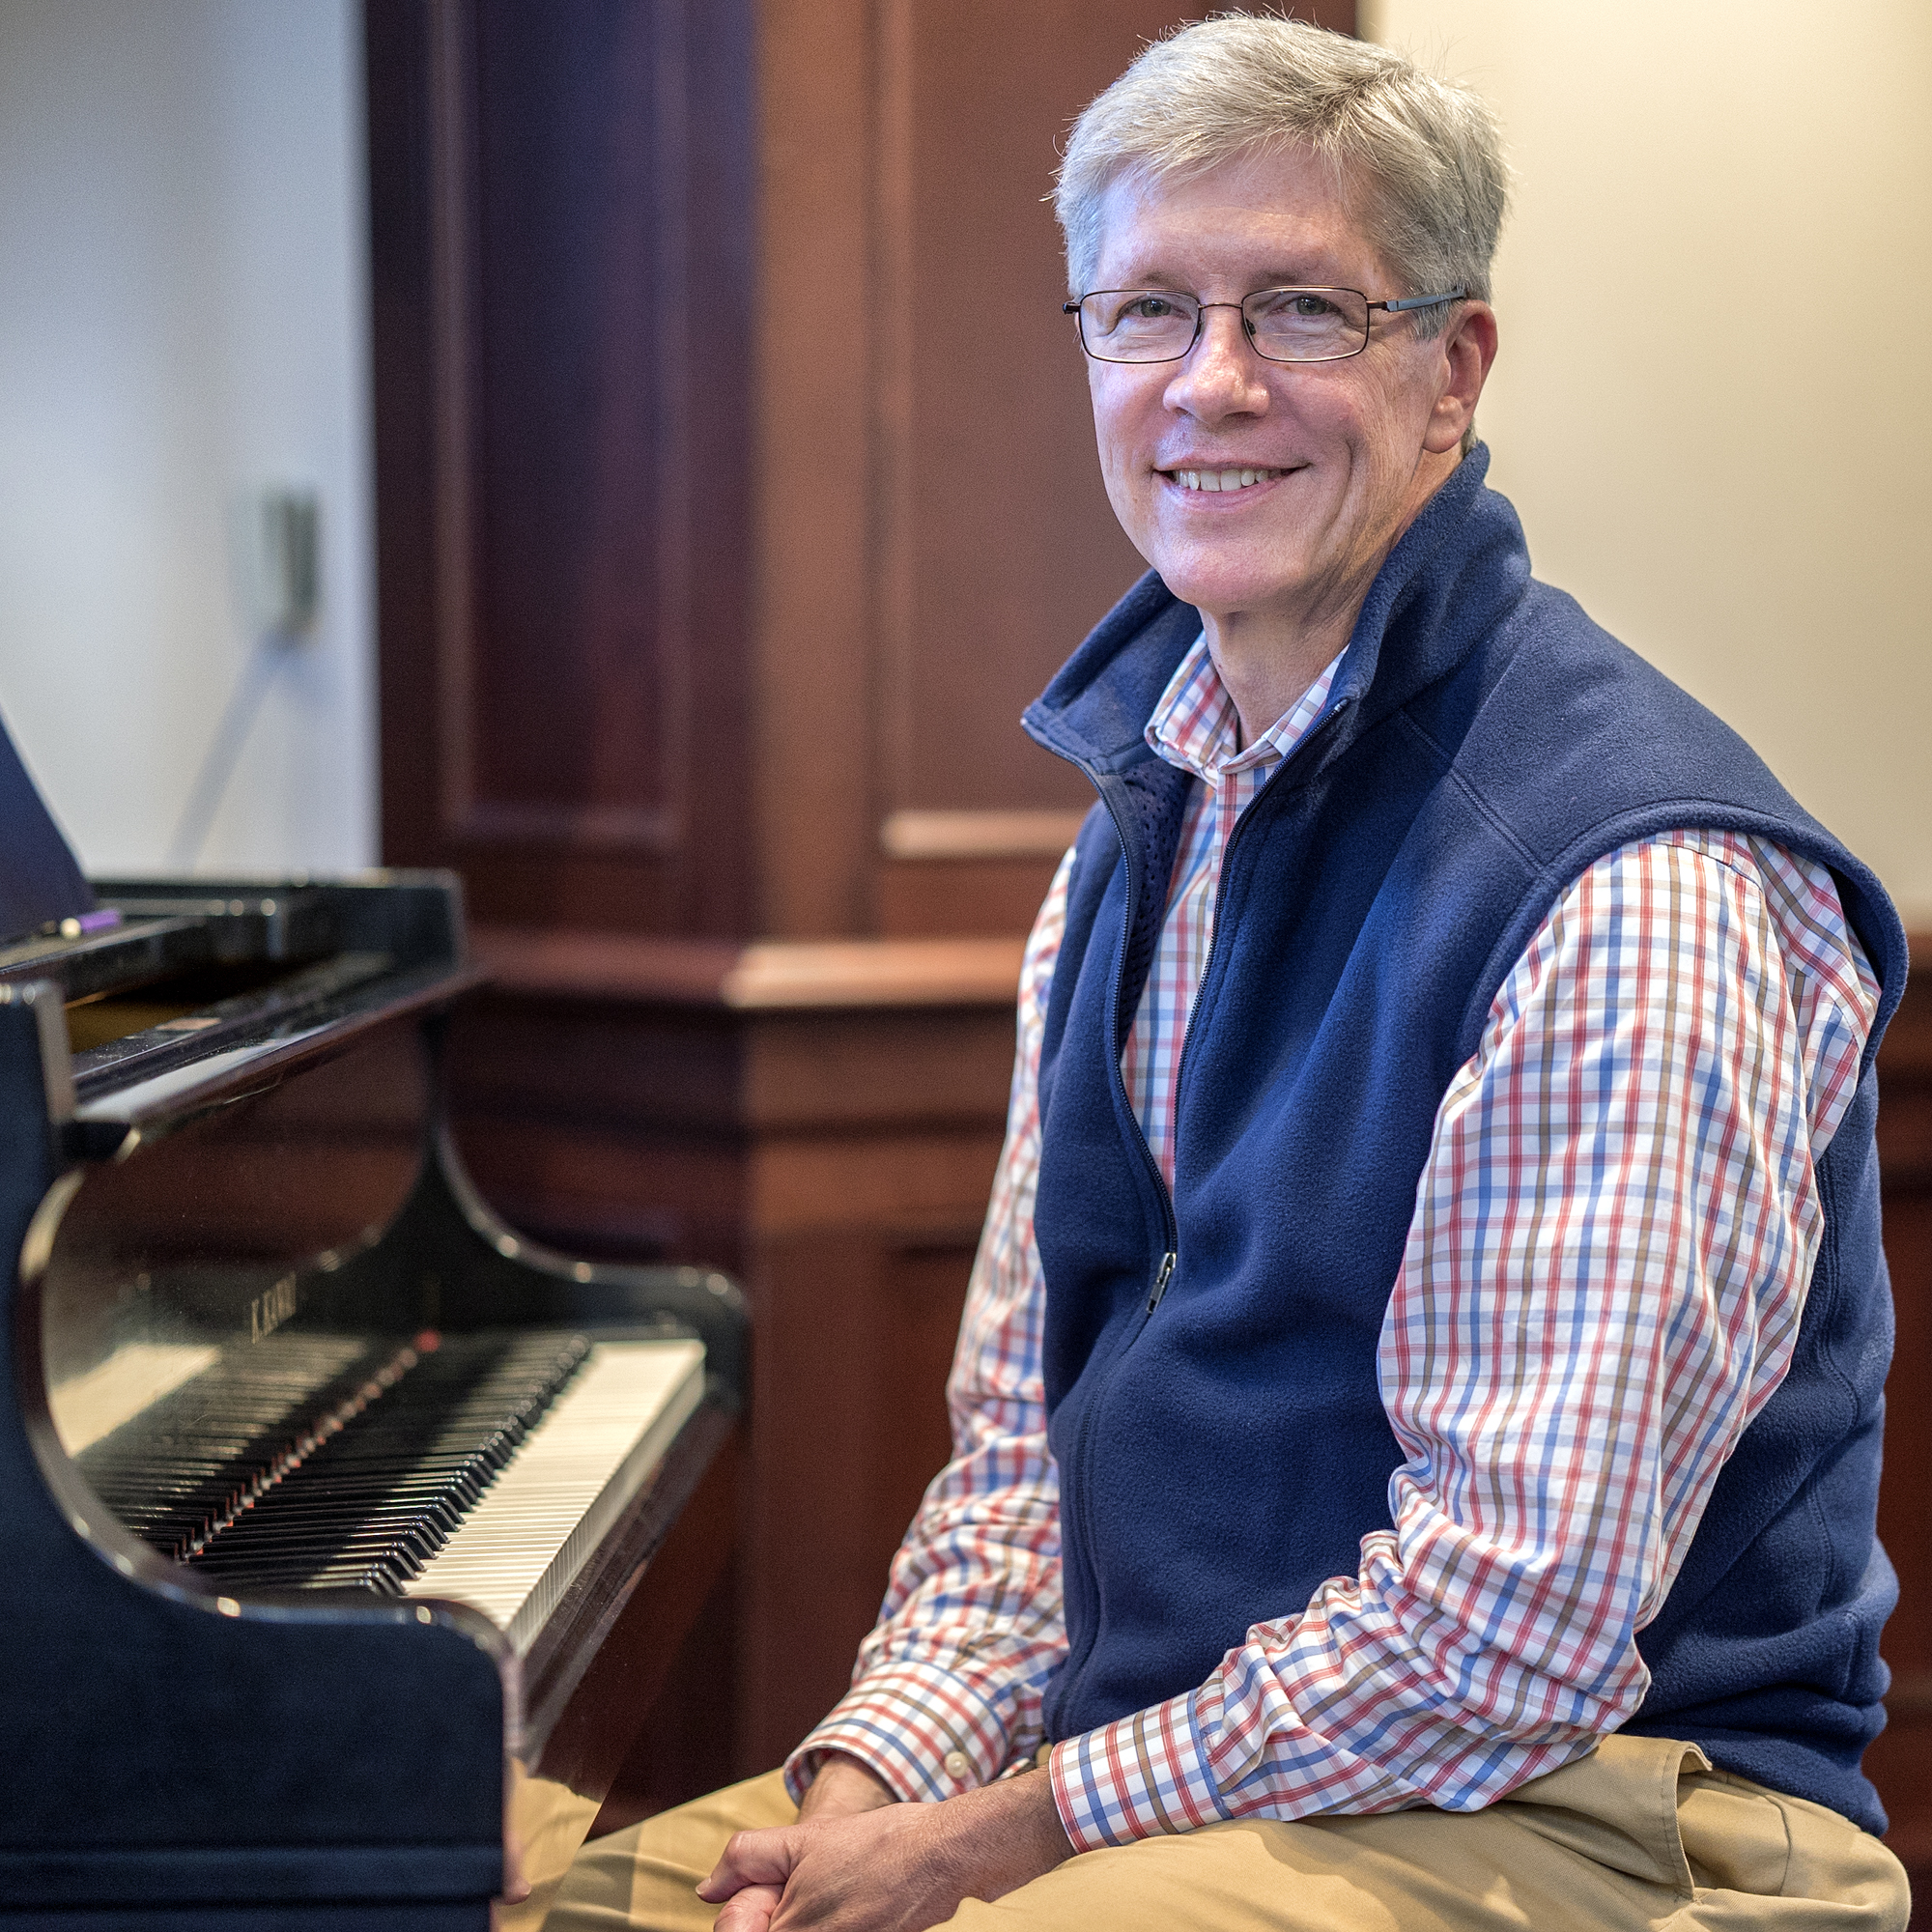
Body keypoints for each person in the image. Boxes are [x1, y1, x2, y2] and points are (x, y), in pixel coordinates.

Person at [548, 18, 1911, 1931]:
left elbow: (1504, 1634)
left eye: (1298, 311)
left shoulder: (1632, 882)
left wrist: (984, 1840)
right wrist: (859, 1787)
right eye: (1145, 314)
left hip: (1603, 1808)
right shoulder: (1139, 826)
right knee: (605, 1906)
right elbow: (1026, 1458)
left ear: (1451, 371)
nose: (1210, 382)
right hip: (1193, 1764)